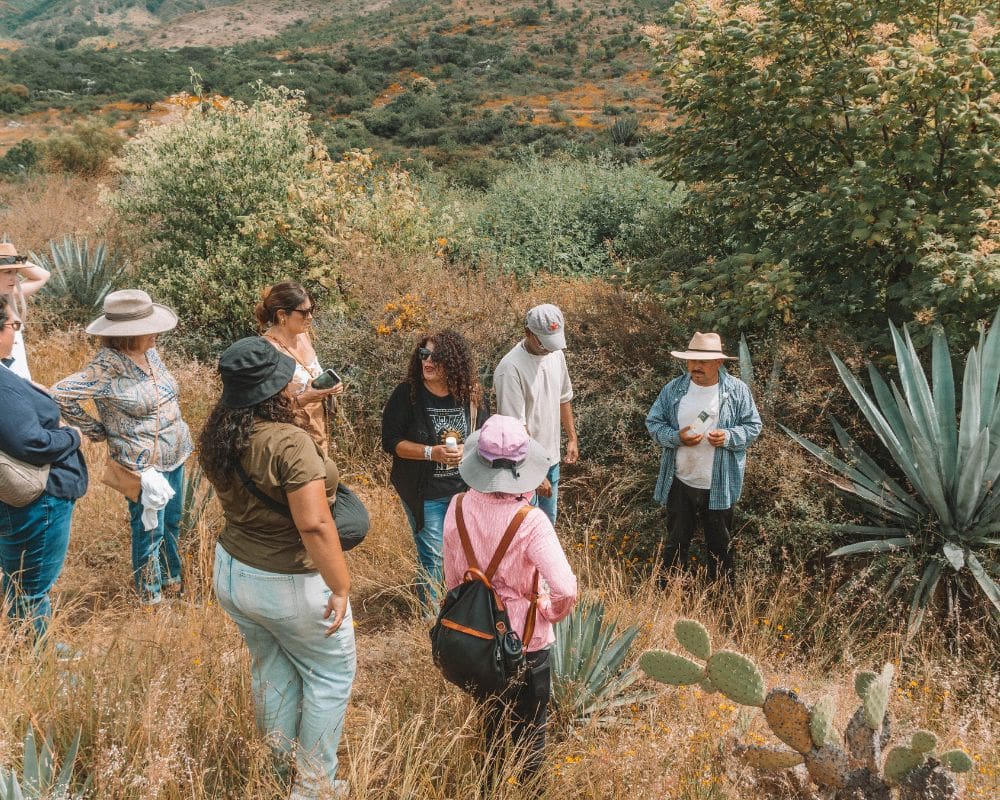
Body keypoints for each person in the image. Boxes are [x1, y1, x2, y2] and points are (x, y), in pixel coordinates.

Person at [200, 337, 355, 800]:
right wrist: (341, 585)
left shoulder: (223, 430)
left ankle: (276, 773)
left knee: (272, 669)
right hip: (286, 580)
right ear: (273, 387)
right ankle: (312, 789)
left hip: (233, 569)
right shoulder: (288, 442)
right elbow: (313, 524)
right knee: (329, 677)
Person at [443, 414, 577, 785]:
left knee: (492, 728)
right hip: (526, 643)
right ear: (523, 467)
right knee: (531, 734)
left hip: (478, 641)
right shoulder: (531, 522)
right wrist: (549, 611)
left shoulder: (456, 507)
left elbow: (453, 579)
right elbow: (566, 588)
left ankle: (490, 789)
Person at [51, 290, 193, 605]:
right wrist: (95, 430)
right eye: (149, 326)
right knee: (148, 528)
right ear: (128, 334)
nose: (156, 332)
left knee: (170, 521)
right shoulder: (106, 367)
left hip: (175, 453)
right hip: (140, 464)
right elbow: (59, 394)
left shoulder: (151, 353)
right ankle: (150, 598)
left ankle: (172, 583)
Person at [0, 295, 87, 641]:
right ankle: (36, 660)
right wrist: (72, 436)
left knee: (17, 579)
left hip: (17, 498)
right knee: (32, 587)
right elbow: (31, 443)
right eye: (13, 325)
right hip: (39, 499)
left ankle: (30, 649)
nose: (16, 333)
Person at [381, 329, 489, 606]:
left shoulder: (471, 394)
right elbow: (391, 441)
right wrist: (431, 453)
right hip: (423, 492)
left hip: (463, 492)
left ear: (453, 361)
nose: (427, 362)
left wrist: (468, 449)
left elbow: (484, 435)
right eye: (423, 354)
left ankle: (457, 610)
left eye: (435, 357)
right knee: (433, 555)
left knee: (462, 553)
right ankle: (431, 619)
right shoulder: (408, 394)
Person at [645, 332, 762, 583]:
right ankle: (669, 595)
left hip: (719, 483)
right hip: (681, 480)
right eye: (692, 361)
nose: (695, 367)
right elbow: (653, 423)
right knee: (676, 543)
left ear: (719, 363)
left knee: (720, 547)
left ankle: (722, 601)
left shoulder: (737, 391)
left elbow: (753, 426)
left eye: (703, 362)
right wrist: (677, 437)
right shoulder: (674, 389)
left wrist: (729, 437)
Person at [493, 304, 578, 526]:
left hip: (551, 460)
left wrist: (571, 438)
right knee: (525, 530)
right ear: (528, 332)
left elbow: (564, 397)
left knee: (547, 527)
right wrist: (535, 473)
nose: (550, 349)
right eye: (544, 342)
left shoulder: (556, 355)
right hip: (523, 465)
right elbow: (515, 429)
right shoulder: (510, 368)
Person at [257, 280, 343, 454]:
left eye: (312, 310)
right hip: (291, 436)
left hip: (318, 428)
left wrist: (331, 388)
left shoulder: (303, 336)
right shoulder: (267, 350)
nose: (310, 317)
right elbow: (266, 409)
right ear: (282, 315)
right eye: (304, 312)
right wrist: (306, 398)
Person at [0, 240, 51, 381]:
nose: (14, 278)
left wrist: (14, 260)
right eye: (8, 272)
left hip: (21, 383)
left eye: (16, 272)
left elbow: (43, 275)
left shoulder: (9, 296)